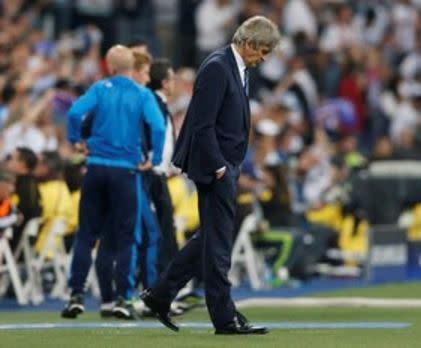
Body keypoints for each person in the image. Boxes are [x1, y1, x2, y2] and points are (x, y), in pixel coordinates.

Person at [140, 16, 280, 334]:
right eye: (262, 50)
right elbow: (202, 123)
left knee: (211, 238)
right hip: (215, 168)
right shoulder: (218, 67)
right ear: (247, 43)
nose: (264, 58)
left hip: (224, 166)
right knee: (218, 243)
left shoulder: (236, 67)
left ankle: (161, 296)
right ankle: (224, 317)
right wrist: (219, 167)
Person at [61, 45, 165, 319]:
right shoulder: (142, 94)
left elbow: (74, 113)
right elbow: (158, 126)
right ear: (131, 66)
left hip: (96, 168)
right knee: (127, 238)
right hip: (125, 171)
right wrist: (154, 160)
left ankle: (76, 294)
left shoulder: (99, 88)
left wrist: (75, 141)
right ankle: (123, 298)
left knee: (86, 234)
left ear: (107, 66)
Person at [147, 59, 178, 274]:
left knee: (166, 227)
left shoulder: (160, 104)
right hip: (152, 173)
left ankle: (169, 281)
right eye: (172, 79)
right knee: (160, 228)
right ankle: (163, 281)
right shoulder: (153, 104)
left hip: (159, 172)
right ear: (165, 83)